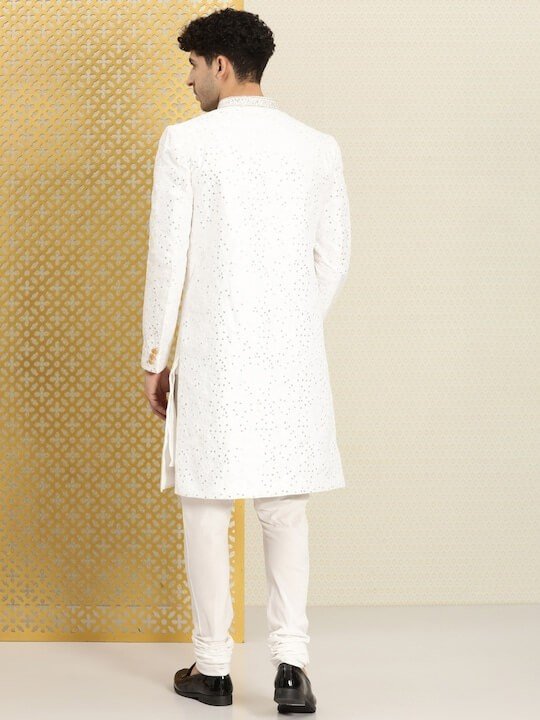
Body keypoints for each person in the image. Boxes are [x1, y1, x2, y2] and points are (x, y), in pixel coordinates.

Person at [140, 7, 351, 713]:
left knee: (207, 509)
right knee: (284, 512)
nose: (190, 81)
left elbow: (168, 261)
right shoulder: (317, 146)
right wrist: (289, 326)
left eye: (193, 66)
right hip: (292, 358)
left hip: (212, 353)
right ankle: (291, 670)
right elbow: (333, 258)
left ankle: (213, 670)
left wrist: (155, 356)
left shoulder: (186, 142)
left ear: (221, 66)